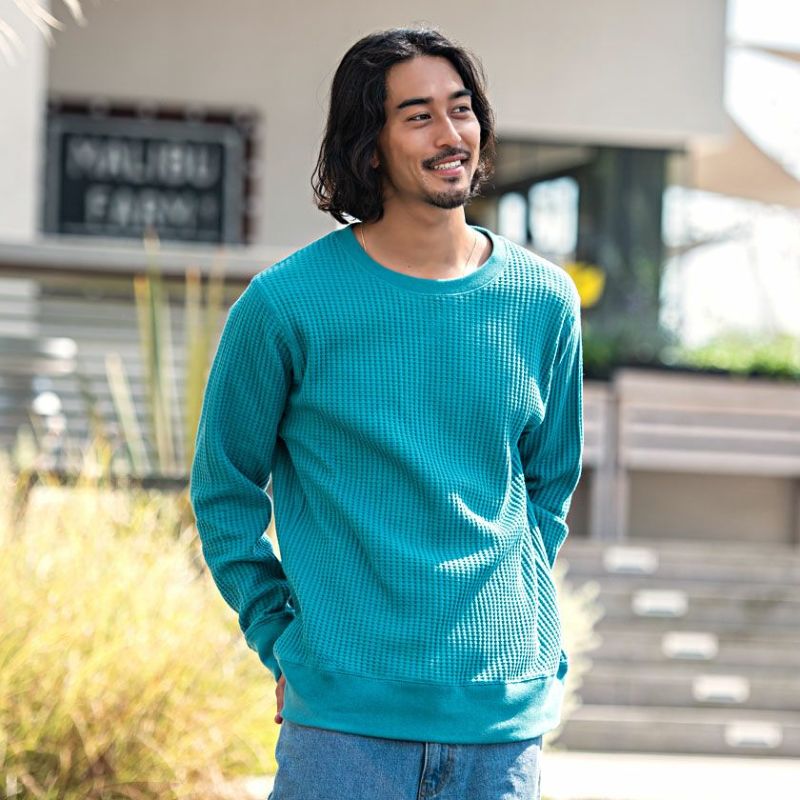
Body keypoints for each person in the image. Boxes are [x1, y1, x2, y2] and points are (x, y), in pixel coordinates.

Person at [190, 26, 584, 800]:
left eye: (461, 110)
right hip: (344, 729)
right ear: (368, 146)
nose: (450, 135)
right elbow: (223, 489)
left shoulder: (544, 301)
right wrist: (280, 635)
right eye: (418, 116)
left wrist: (513, 617)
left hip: (499, 725)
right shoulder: (286, 305)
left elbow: (550, 485)